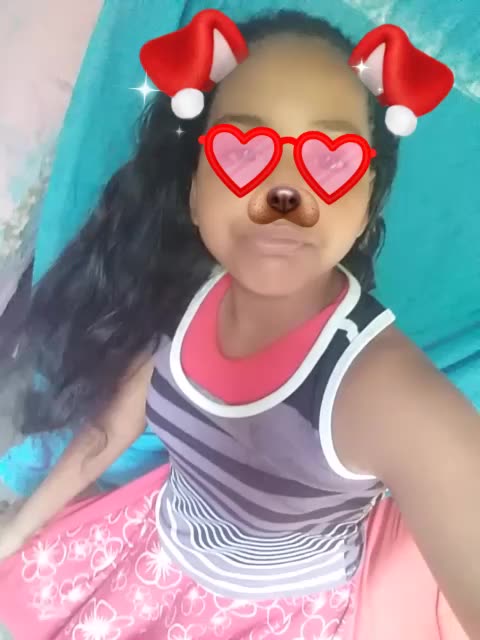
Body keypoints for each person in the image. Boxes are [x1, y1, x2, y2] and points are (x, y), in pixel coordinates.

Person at [0, 9, 478, 640]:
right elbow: (108, 432)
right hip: (153, 544)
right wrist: (14, 532)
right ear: (197, 192)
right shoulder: (190, 296)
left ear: (367, 205)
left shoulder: (381, 388)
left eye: (329, 161)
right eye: (243, 151)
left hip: (269, 614)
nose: (284, 196)